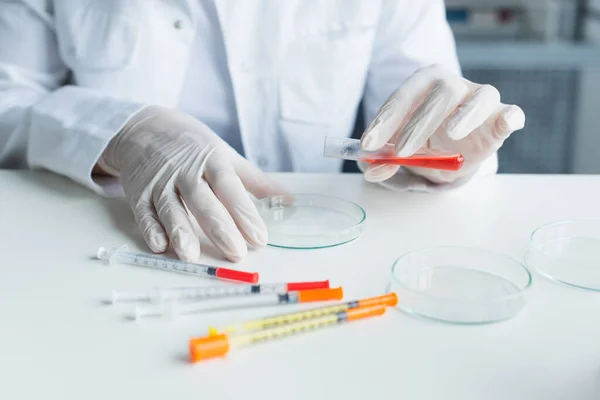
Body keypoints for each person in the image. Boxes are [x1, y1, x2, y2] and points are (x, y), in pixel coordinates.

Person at [0, 1, 525, 262]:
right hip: (119, 241)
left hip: (316, 249)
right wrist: (126, 133)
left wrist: (446, 151)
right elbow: (8, 101)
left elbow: (432, 111)